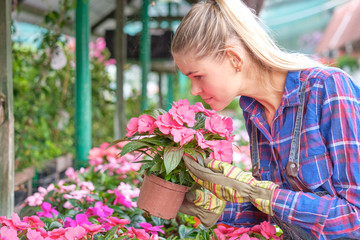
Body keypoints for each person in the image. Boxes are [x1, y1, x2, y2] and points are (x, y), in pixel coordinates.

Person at [171, 0, 360, 239]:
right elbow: (275, 215)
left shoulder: (327, 88)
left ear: (234, 59)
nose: (194, 89)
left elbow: (355, 217)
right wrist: (216, 208)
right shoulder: (253, 110)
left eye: (198, 76)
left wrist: (262, 193)